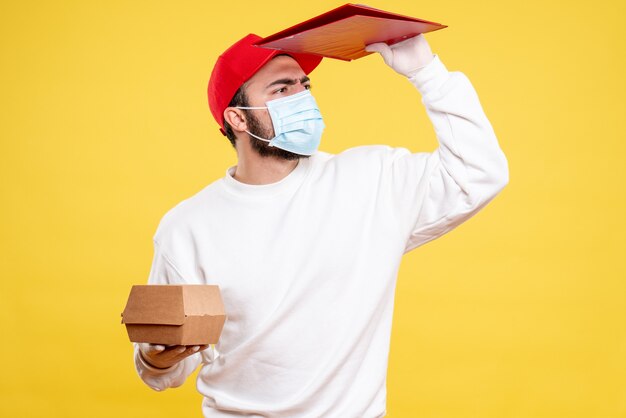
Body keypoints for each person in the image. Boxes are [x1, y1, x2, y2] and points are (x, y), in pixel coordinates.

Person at [132, 32, 509, 417]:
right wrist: (157, 357)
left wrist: (428, 74)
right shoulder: (189, 226)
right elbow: (165, 370)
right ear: (236, 117)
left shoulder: (370, 181)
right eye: (281, 89)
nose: (301, 97)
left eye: (304, 85)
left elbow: (479, 175)